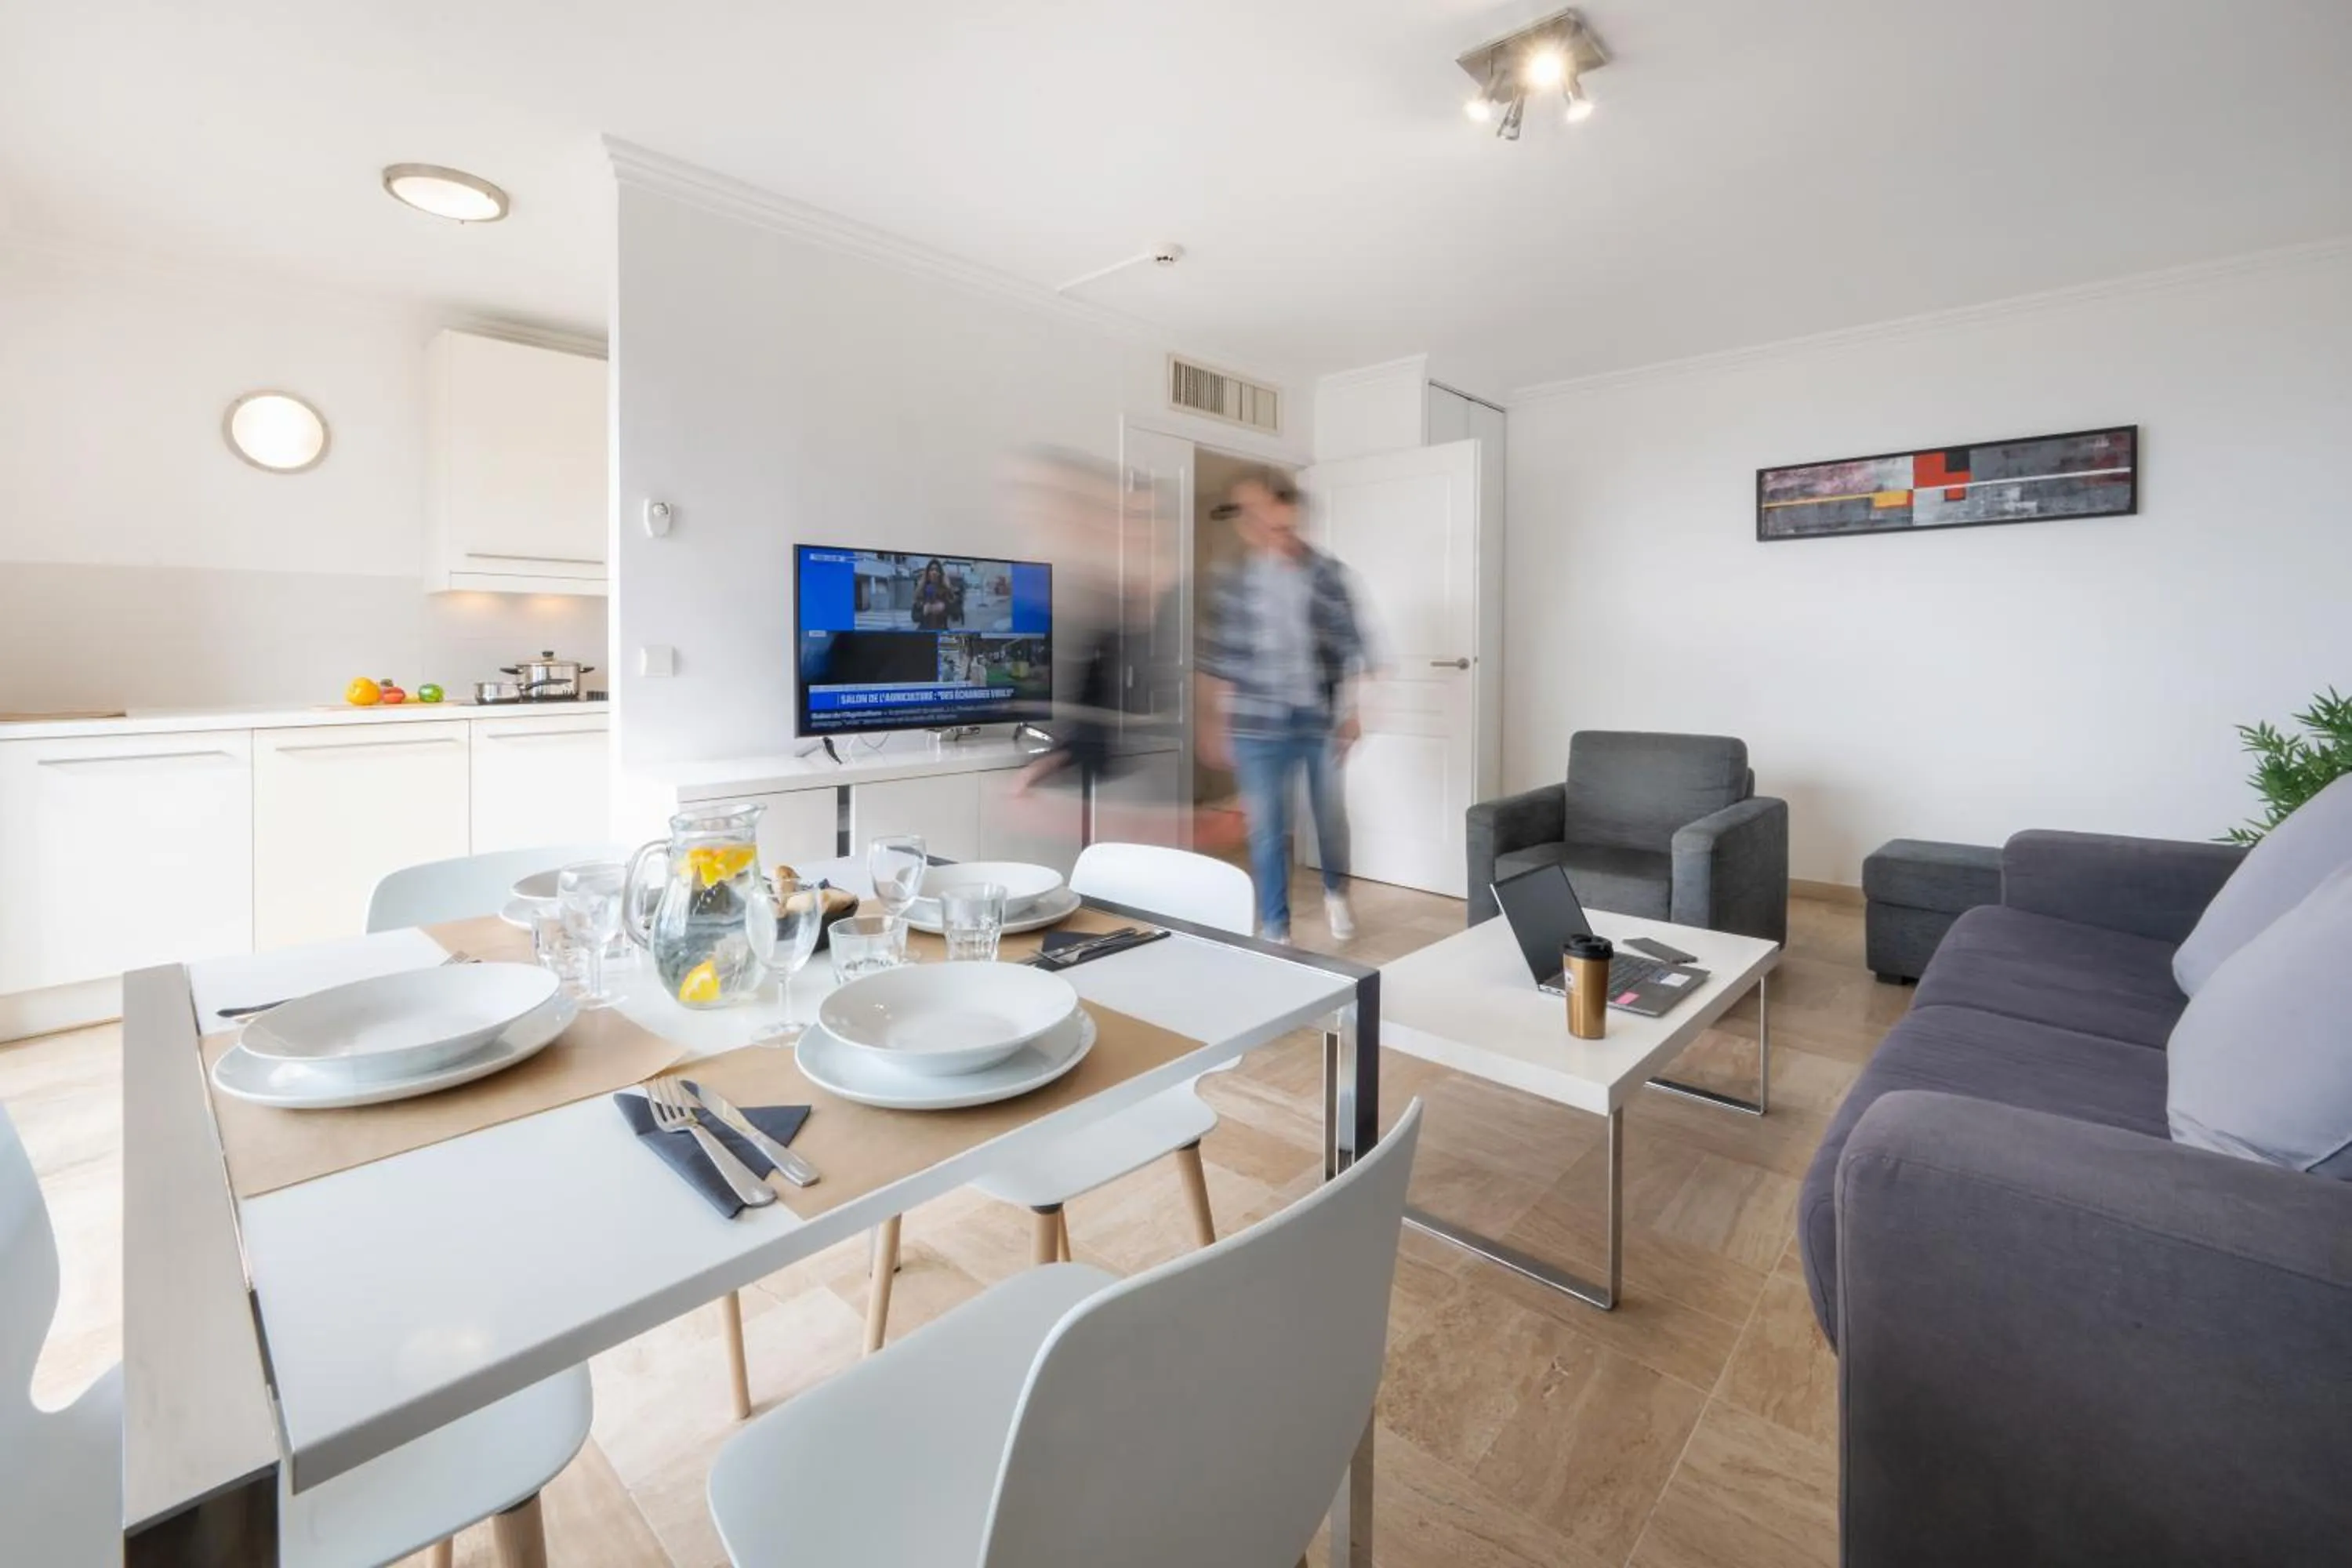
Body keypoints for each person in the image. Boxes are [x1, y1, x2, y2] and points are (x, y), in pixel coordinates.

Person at [1196, 475, 1369, 944]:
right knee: (1267, 827)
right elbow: (1217, 656)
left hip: (1316, 719)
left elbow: (1353, 644)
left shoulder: (1327, 574)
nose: (1269, 528)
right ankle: (1276, 927)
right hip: (1255, 724)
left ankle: (1336, 891)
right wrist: (1213, 721)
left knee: (1329, 818)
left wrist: (1352, 712)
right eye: (1253, 518)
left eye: (1279, 522)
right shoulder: (1233, 580)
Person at [911, 559, 953, 630]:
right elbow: (914, 617)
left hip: (941, 632)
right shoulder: (921, 591)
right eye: (931, 570)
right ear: (927, 573)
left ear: (940, 574)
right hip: (924, 632)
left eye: (937, 570)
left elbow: (956, 614)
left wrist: (944, 607)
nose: (934, 573)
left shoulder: (946, 591)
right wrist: (924, 611)